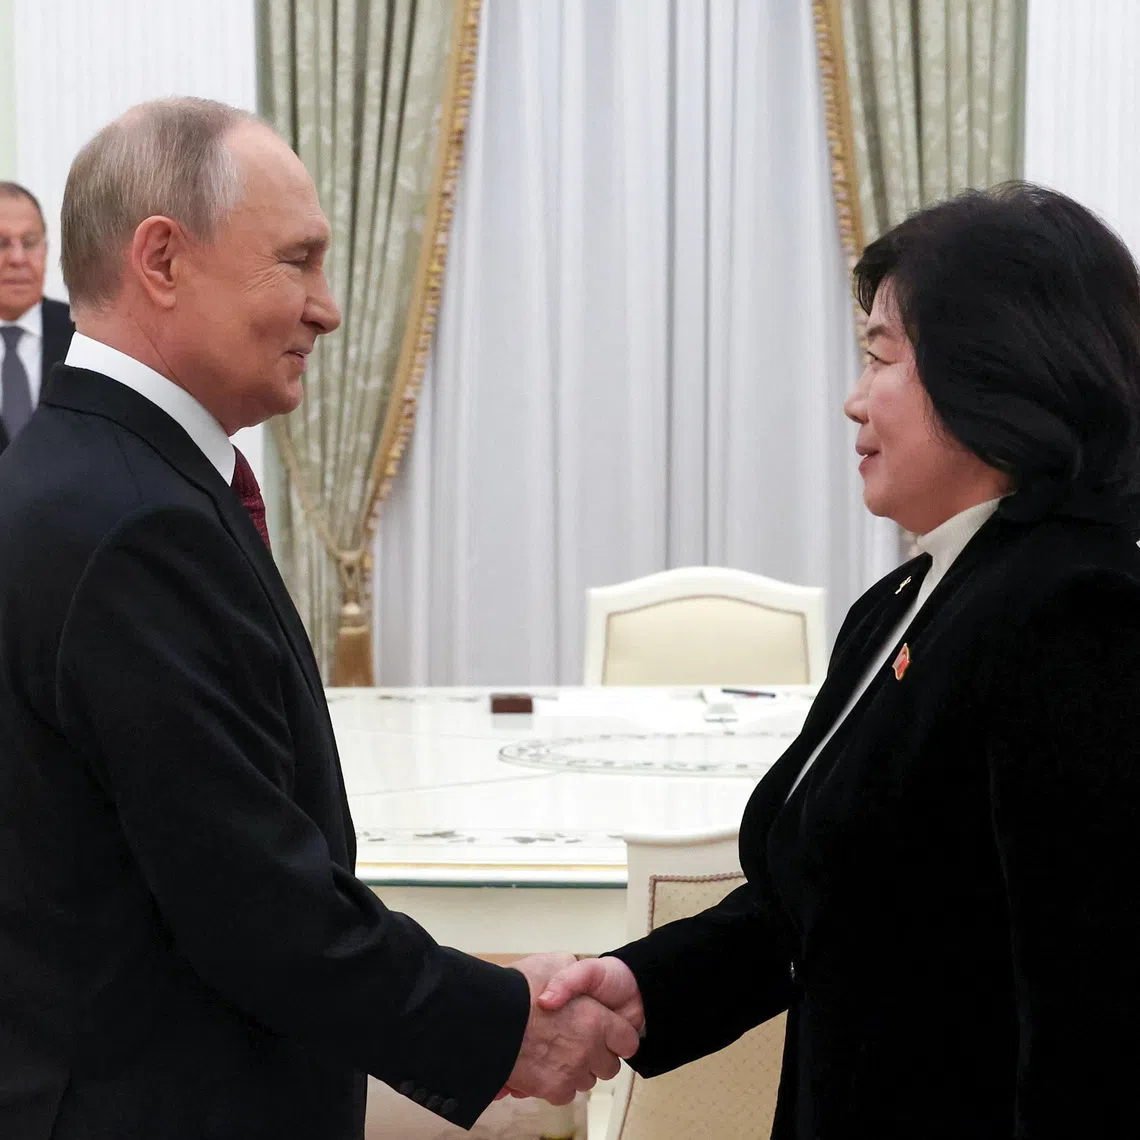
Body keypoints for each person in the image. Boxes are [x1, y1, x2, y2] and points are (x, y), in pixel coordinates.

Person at [0, 98, 639, 1140]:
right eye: (296, 262)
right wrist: (500, 1023)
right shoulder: (131, 526)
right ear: (162, 260)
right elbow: (254, 909)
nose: (329, 308)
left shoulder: (91, 479)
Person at [538, 184, 1140, 1138]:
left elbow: (1093, 1019)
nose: (854, 400)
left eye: (879, 356)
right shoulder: (912, 600)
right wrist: (642, 988)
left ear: (994, 367)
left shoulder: (1079, 613)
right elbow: (825, 902)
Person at [0, 182, 74, 452]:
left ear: (45, 250)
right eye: (1, 244)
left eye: (30, 243)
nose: (18, 258)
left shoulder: (84, 336)